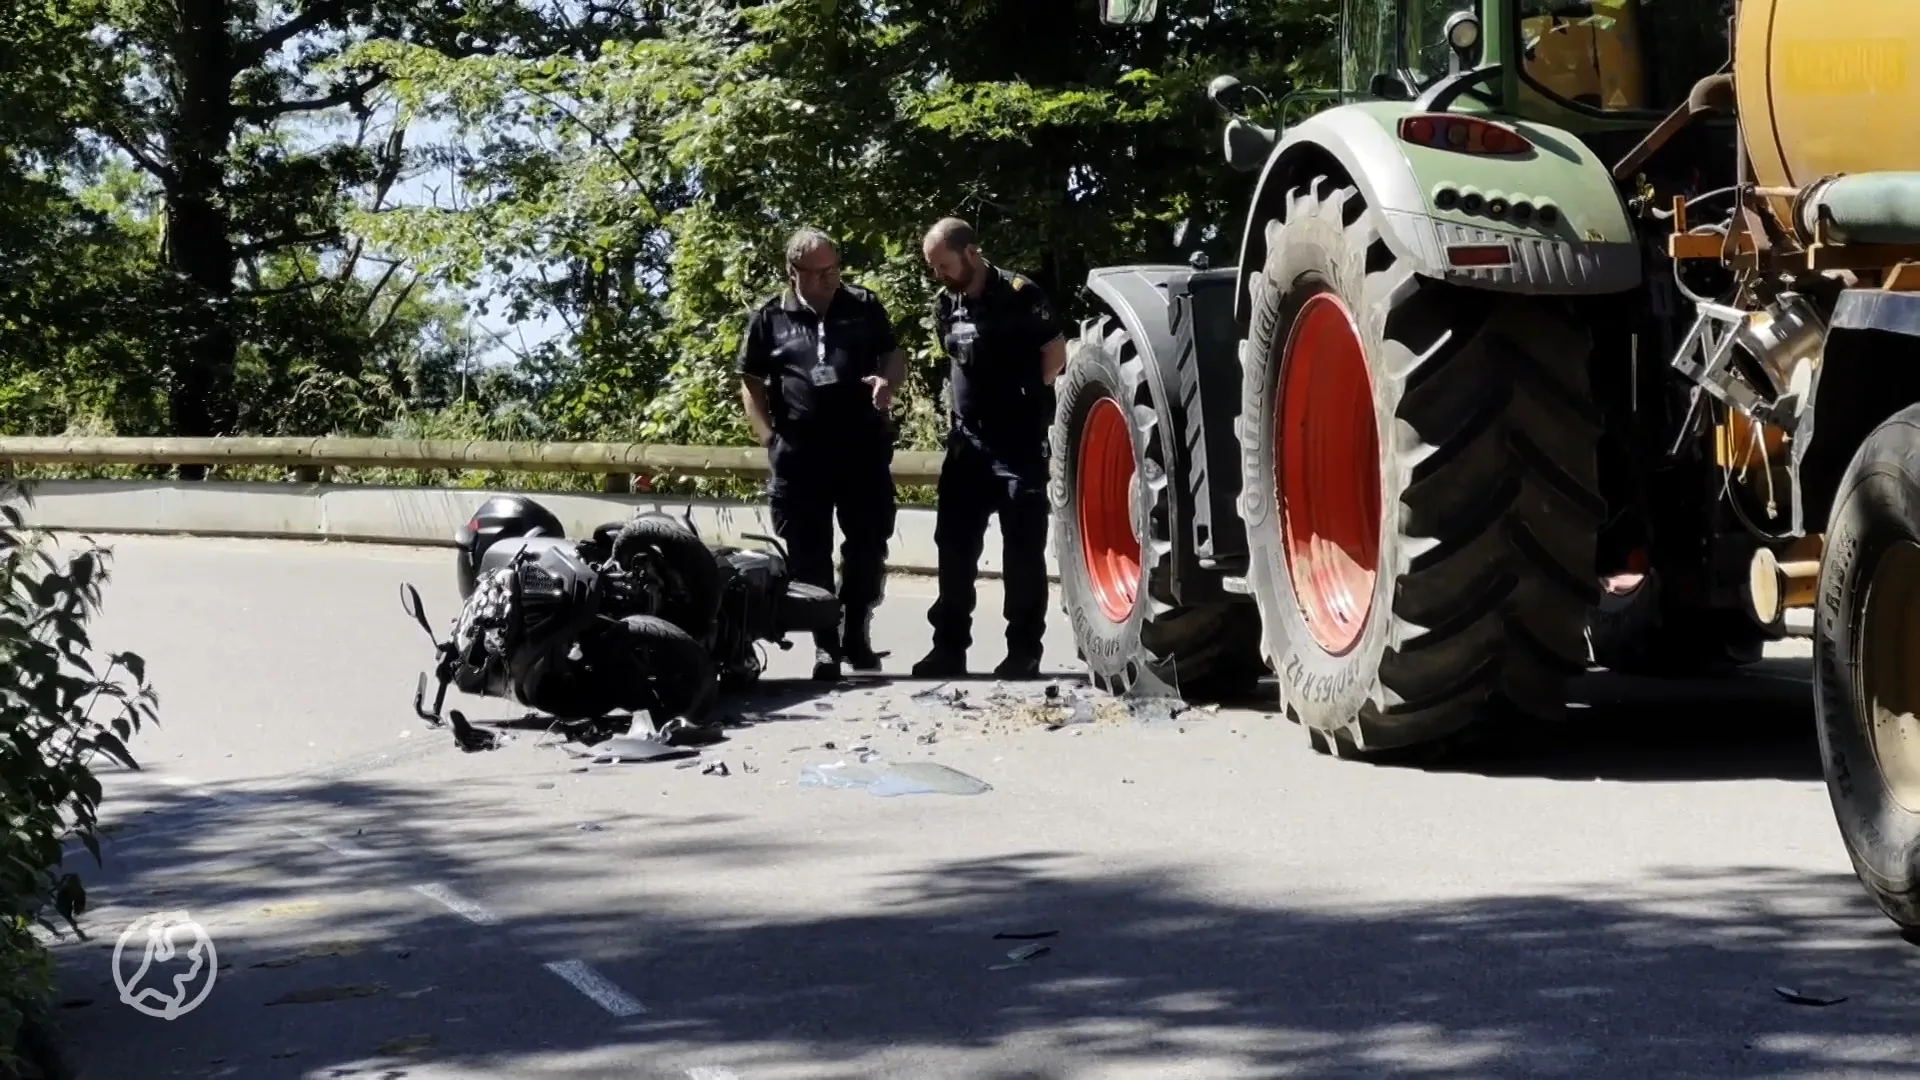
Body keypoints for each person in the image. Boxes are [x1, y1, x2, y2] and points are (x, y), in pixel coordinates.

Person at [736, 227, 907, 681]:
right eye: (820, 272)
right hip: (800, 456)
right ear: (794, 273)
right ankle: (826, 645)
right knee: (809, 554)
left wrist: (887, 381)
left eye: (835, 269)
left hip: (861, 450)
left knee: (867, 548)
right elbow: (750, 381)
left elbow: (894, 354)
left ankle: (857, 634)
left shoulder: (864, 305)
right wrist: (768, 437)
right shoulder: (769, 317)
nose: (832, 279)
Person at [911, 218, 1068, 679]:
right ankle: (949, 648)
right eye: (933, 267)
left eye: (944, 264)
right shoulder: (946, 304)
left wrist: (1020, 399)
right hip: (967, 446)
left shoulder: (1021, 294)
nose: (938, 274)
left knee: (1022, 551)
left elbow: (1054, 353)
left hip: (1017, 444)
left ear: (972, 253)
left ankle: (1023, 650)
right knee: (954, 548)